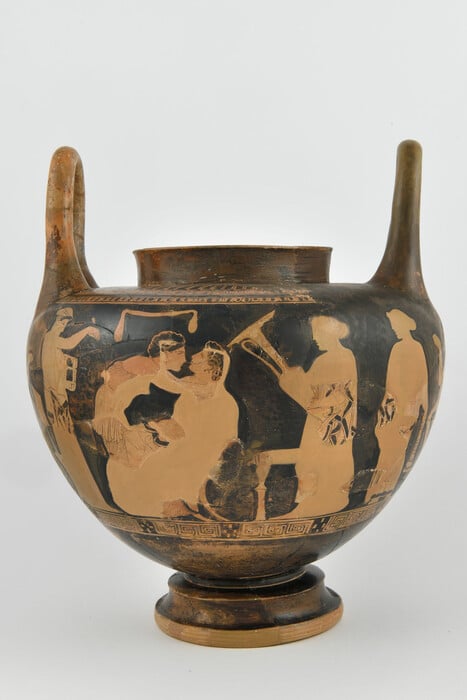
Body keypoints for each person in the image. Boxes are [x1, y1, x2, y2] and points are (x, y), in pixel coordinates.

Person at [106, 341, 239, 517]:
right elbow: (167, 382)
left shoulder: (226, 403)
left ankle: (183, 505)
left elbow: (226, 442)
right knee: (128, 471)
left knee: (153, 474)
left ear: (210, 368)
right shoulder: (188, 389)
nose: (193, 357)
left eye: (200, 356)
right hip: (179, 449)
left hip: (203, 457)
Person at [365, 309, 429, 502]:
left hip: (403, 408)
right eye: (393, 326)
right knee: (388, 446)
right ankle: (377, 488)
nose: (394, 330)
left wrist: (421, 406)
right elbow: (390, 383)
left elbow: (422, 379)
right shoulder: (399, 348)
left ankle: (379, 488)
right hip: (396, 406)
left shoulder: (410, 348)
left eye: (395, 326)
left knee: (395, 448)